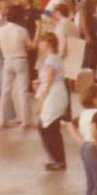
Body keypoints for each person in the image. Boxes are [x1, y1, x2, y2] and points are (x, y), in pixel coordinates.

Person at [66, 84, 97, 195]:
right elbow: (93, 130)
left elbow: (70, 126)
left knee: (91, 181)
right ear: (95, 99)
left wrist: (81, 141)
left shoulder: (84, 113)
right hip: (93, 147)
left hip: (85, 147)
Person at [33, 32, 68, 171]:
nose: (39, 45)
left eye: (41, 42)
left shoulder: (51, 60)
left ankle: (57, 159)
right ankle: (58, 159)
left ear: (48, 44)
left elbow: (49, 81)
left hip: (53, 95)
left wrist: (40, 102)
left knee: (46, 128)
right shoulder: (53, 59)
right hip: (56, 93)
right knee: (52, 128)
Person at [0, 3, 32, 129]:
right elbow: (29, 46)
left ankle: (2, 119)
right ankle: (25, 120)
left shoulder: (1, 30)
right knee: (22, 91)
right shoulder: (22, 31)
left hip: (7, 59)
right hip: (21, 59)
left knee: (5, 91)